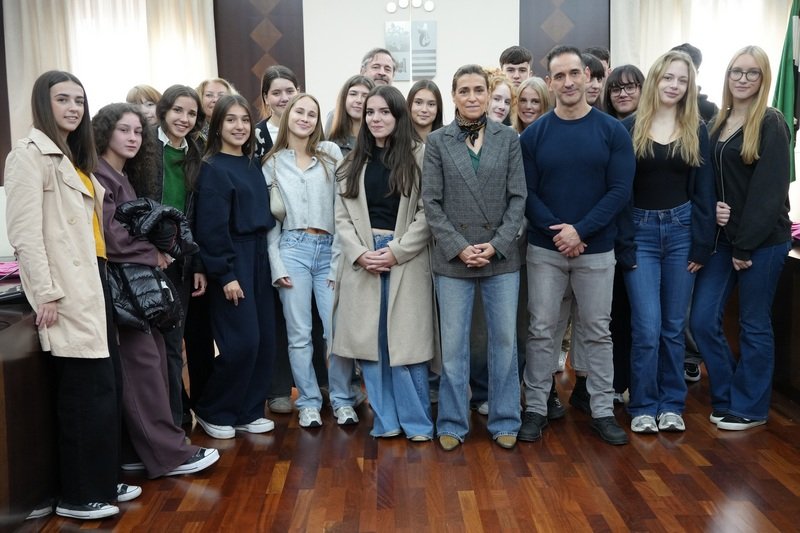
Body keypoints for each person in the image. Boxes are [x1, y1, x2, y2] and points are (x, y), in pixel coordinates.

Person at [4, 71, 138, 520]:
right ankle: (80, 495)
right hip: (65, 287)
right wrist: (44, 291)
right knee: (84, 392)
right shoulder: (28, 155)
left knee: (108, 384)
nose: (73, 108)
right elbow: (24, 233)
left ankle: (102, 478)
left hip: (95, 279)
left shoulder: (74, 155)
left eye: (79, 100)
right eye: (63, 99)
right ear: (45, 104)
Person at [92, 102, 220, 475]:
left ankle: (140, 452)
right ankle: (169, 455)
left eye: (137, 131)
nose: (133, 138)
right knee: (144, 368)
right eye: (123, 130)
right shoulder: (99, 174)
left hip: (135, 284)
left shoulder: (122, 175)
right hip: (120, 285)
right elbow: (112, 235)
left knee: (151, 364)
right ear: (104, 132)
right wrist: (156, 253)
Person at [520, 46, 635, 445]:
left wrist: (581, 231)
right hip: (546, 250)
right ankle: (535, 408)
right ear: (549, 82)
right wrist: (561, 233)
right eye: (559, 76)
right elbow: (527, 194)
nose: (567, 82)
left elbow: (619, 190)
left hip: (597, 250)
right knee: (541, 330)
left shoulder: (612, 131)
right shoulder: (534, 134)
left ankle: (602, 410)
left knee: (597, 332)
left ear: (588, 76)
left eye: (574, 73)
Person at [422, 64, 526, 451]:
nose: (471, 97)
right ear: (453, 96)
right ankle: (451, 420)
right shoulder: (437, 141)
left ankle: (504, 418)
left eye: (478, 90)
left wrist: (497, 244)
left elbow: (519, 198)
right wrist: (459, 246)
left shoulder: (508, 138)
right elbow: (430, 202)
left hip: (500, 257)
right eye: (463, 90)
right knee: (454, 347)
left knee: (503, 342)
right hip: (454, 258)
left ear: (489, 94)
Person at [691, 45, 791, 431]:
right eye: (737, 71)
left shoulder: (771, 122)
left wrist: (746, 245)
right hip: (723, 239)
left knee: (753, 324)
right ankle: (729, 393)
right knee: (701, 320)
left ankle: (749, 407)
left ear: (763, 79)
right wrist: (715, 204)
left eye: (752, 73)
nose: (743, 79)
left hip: (762, 242)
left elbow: (769, 192)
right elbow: (712, 178)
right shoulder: (719, 121)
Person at [617, 50, 716, 434]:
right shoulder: (628, 128)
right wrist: (624, 243)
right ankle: (642, 404)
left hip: (681, 231)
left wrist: (701, 244)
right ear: (655, 80)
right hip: (639, 234)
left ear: (689, 87)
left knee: (674, 327)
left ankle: (671, 403)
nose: (674, 85)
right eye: (668, 78)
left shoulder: (697, 128)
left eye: (682, 80)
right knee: (646, 326)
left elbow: (705, 192)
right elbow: (620, 191)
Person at [333, 85, 436, 440]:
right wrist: (360, 254)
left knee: (406, 346)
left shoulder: (421, 156)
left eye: (384, 112)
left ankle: (418, 424)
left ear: (398, 116)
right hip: (363, 258)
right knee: (371, 346)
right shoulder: (351, 162)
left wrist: (396, 250)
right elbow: (341, 217)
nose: (376, 119)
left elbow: (428, 214)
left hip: (404, 255)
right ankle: (386, 421)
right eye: (370, 112)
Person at [263, 93, 357, 428]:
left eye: (312, 114)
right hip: (292, 248)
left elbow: (341, 210)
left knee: (336, 331)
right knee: (299, 332)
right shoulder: (271, 164)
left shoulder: (330, 154)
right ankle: (308, 402)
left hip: (328, 248)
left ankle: (343, 399)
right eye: (299, 112)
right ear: (287, 115)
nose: (305, 118)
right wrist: (278, 265)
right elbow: (270, 224)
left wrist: (336, 262)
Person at [191, 94, 278, 438]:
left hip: (260, 256)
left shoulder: (252, 164)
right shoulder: (211, 168)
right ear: (218, 125)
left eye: (245, 119)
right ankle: (214, 408)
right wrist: (225, 274)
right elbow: (210, 228)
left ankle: (247, 410)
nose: (240, 126)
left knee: (264, 341)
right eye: (231, 120)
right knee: (242, 342)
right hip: (232, 259)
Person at [133, 85, 206, 427]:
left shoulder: (198, 151)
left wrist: (197, 262)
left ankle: (177, 420)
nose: (184, 118)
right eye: (178, 110)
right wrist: (150, 248)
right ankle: (156, 422)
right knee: (147, 346)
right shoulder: (143, 145)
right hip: (142, 259)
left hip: (182, 260)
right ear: (164, 110)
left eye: (191, 113)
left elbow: (200, 214)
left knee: (175, 343)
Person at [255, 65, 300, 160]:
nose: (284, 98)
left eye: (290, 91)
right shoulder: (256, 134)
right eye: (276, 93)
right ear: (266, 98)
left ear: (298, 92)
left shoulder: (309, 127)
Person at [671, 43, 719, 123]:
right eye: (668, 77)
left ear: (696, 73)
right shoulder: (653, 103)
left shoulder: (709, 110)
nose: (674, 85)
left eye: (687, 71)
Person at [328, 75, 375, 154]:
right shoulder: (331, 142)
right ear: (344, 98)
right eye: (353, 94)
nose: (359, 100)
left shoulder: (379, 141)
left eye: (365, 96)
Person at [195, 78, 235, 145]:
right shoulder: (193, 133)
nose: (215, 100)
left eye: (221, 95)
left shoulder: (238, 129)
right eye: (209, 95)